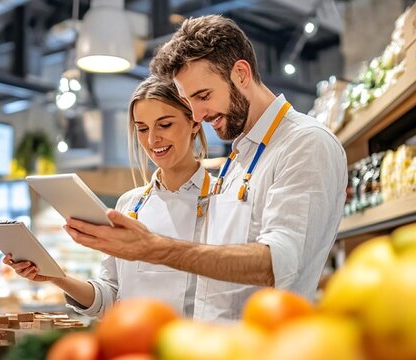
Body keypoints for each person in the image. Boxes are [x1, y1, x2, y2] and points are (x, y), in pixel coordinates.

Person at [62, 15, 347, 321]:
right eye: (188, 100)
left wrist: (154, 249)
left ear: (240, 73)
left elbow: (278, 264)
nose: (197, 114)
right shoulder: (238, 159)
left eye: (202, 96)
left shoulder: (304, 143)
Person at [4, 76, 212, 318]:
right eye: (142, 129)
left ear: (195, 122)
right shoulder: (129, 204)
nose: (152, 140)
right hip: (130, 347)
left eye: (164, 125)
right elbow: (109, 297)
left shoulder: (222, 199)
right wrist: (55, 277)